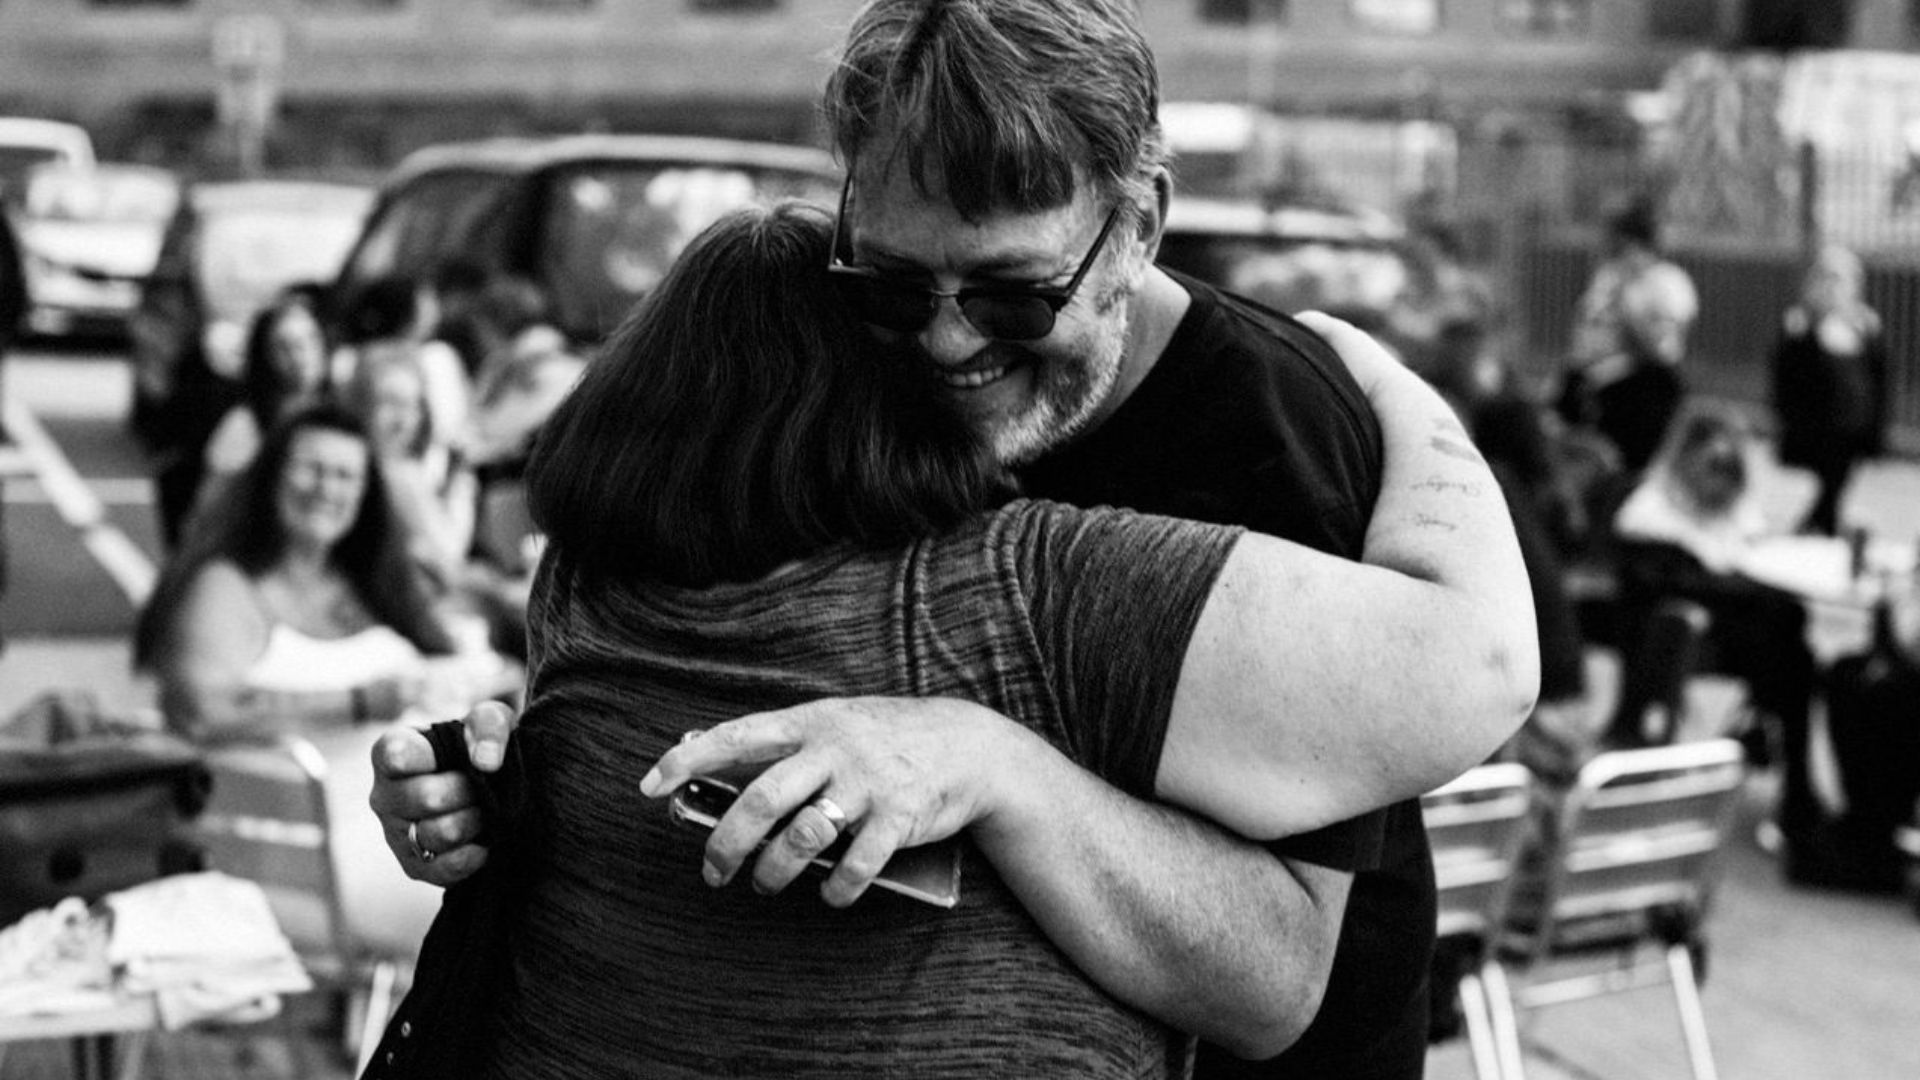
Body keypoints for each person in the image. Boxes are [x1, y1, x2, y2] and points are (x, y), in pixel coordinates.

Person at [372, 3, 1538, 1075]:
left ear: (1138, 228)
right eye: (891, 283)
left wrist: (991, 764)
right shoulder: (836, 355)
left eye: (1012, 294)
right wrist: (522, 787)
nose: (942, 344)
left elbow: (1269, 976)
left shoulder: (1268, 435)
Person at [132, 403, 519, 959]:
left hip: (418, 833)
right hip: (313, 869)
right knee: (519, 908)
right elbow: (201, 714)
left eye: (346, 475)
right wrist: (364, 701)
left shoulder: (369, 581)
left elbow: (453, 632)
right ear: (270, 476)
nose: (326, 489)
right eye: (309, 468)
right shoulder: (225, 586)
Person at [1609, 405, 1820, 851]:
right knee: (1791, 647)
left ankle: (1781, 754)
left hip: (1734, 634)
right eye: (1713, 467)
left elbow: (1754, 555)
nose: (1720, 481)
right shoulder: (1651, 513)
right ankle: (1791, 776)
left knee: (1793, 638)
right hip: (1682, 641)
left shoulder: (1732, 509)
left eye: (1731, 470)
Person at [1559, 197, 1699, 474]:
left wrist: (1628, 302)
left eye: (1612, 239)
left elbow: (1663, 351)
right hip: (1590, 387)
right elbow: (1585, 334)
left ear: (1630, 242)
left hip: (1636, 394)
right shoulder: (1607, 276)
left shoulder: (1668, 282)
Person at [1771, 244, 1891, 537]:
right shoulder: (1800, 326)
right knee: (1831, 483)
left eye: (1839, 279)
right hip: (1815, 431)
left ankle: (1816, 530)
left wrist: (1877, 432)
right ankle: (1819, 529)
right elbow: (1786, 381)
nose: (1831, 287)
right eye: (1824, 278)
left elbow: (1880, 382)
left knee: (1836, 484)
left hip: (1853, 430)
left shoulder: (1865, 327)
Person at [192, 287, 335, 529]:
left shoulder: (341, 414)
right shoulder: (244, 425)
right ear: (265, 356)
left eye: (310, 340)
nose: (301, 356)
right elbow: (209, 510)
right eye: (285, 346)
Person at [342, 345, 477, 589]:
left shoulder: (403, 470)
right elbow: (449, 555)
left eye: (411, 405)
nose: (403, 420)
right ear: (360, 405)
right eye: (390, 402)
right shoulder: (374, 473)